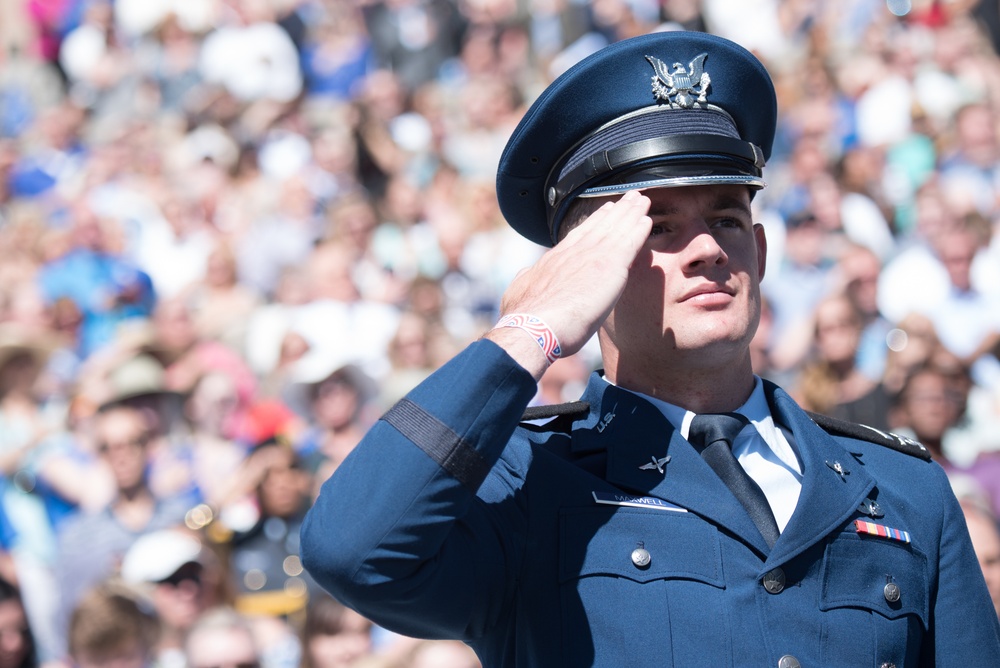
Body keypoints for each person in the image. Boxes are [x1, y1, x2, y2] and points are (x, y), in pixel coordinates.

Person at [301, 30, 1000, 667]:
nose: (706, 249)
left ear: (757, 251)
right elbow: (352, 551)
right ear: (586, 264)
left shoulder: (902, 491)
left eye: (727, 217)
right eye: (658, 225)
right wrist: (531, 328)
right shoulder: (528, 483)